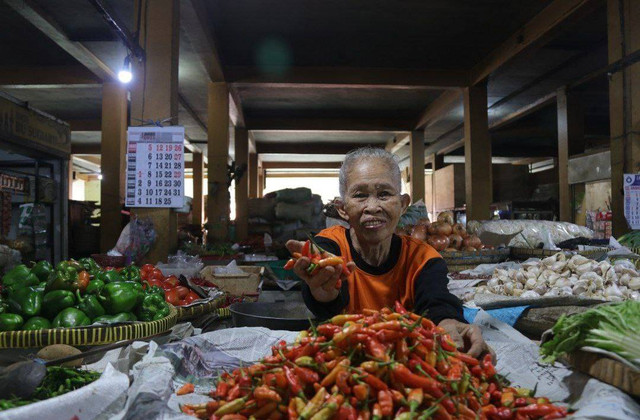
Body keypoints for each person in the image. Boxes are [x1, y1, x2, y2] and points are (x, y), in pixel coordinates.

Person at [287, 147, 493, 359]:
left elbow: (436, 300)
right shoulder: (330, 246)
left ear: (403, 204)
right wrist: (324, 294)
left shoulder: (423, 258)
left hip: (405, 362)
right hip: (342, 363)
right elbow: (328, 288)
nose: (373, 207)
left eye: (384, 194)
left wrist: (449, 322)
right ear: (342, 208)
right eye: (360, 195)